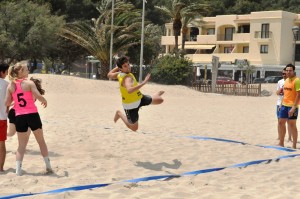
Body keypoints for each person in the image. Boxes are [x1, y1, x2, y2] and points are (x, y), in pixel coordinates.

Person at [4, 61, 52, 176]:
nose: (28, 71)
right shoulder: (29, 83)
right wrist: (44, 101)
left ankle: (18, 171)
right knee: (41, 142)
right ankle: (49, 167)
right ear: (21, 72)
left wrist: (12, 102)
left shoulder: (11, 85)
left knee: (21, 145)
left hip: (19, 116)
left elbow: (6, 102)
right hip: (32, 115)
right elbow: (38, 96)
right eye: (26, 69)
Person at [107, 56, 164, 131]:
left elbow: (109, 74)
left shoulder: (119, 73)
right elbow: (129, 90)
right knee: (134, 128)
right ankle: (119, 114)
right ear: (121, 68)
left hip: (140, 98)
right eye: (125, 66)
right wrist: (143, 83)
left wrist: (118, 67)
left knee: (160, 100)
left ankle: (155, 95)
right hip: (130, 106)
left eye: (128, 64)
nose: (128, 67)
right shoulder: (127, 78)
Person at [278, 63, 300, 149]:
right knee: (280, 123)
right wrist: (281, 104)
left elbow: (298, 95)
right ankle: (281, 143)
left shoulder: (297, 80)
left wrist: (294, 107)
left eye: (290, 70)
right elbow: (285, 94)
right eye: (287, 70)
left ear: (293, 71)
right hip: (284, 105)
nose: (288, 72)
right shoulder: (286, 80)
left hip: (292, 106)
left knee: (292, 125)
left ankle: (294, 145)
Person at [276, 68, 292, 141]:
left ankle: (289, 137)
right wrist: (281, 88)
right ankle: (279, 136)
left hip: (288, 103)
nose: (283, 75)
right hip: (279, 103)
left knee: (289, 121)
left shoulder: (291, 81)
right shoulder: (280, 82)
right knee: (279, 121)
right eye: (282, 74)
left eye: (284, 74)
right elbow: (277, 93)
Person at [0, 63, 9, 172]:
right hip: (1, 118)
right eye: (6, 72)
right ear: (2, 72)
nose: (7, 74)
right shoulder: (6, 84)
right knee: (1, 145)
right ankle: (0, 168)